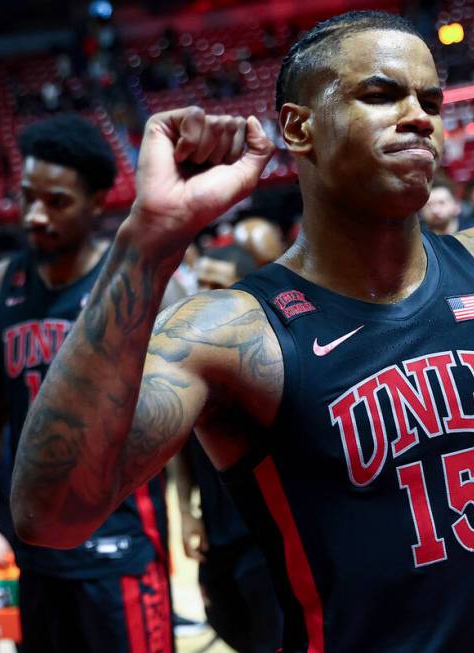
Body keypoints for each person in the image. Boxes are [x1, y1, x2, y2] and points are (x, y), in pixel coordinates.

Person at [7, 13, 474, 651]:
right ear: (299, 127)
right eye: (381, 93)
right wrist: (149, 240)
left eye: (429, 98)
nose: (421, 115)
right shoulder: (229, 331)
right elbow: (50, 516)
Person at [0, 113, 177, 653]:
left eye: (56, 202)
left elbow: (176, 418)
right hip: (37, 544)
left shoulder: (135, 287)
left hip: (121, 541)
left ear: (96, 202)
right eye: (27, 197)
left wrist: (189, 515)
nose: (34, 215)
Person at [173, 244, 283, 653]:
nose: (202, 292)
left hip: (265, 538)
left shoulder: (270, 355)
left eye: (214, 284)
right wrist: (186, 513)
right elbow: (181, 446)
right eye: (199, 281)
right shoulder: (189, 356)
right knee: (225, 623)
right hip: (217, 535)